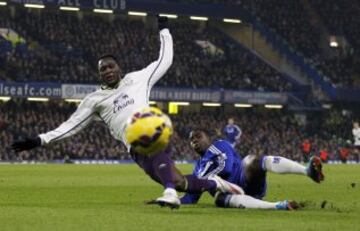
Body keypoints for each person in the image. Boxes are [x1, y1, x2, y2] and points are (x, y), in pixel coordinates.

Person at [10, 16, 242, 209]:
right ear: (99, 74)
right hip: (135, 149)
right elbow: (71, 125)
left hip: (153, 127)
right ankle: (215, 185)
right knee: (179, 180)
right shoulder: (94, 99)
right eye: (103, 69)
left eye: (111, 66)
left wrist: (164, 30)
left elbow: (165, 60)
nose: (108, 71)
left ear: (119, 67)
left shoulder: (138, 79)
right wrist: (40, 140)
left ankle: (170, 193)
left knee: (160, 163)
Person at [181, 129, 325, 210]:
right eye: (192, 139)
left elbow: (226, 168)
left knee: (251, 160)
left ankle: (307, 171)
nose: (195, 140)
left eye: (198, 136)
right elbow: (191, 197)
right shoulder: (198, 167)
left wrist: (204, 179)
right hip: (230, 195)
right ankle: (278, 206)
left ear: (207, 138)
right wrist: (172, 199)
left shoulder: (219, 145)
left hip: (245, 178)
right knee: (218, 200)